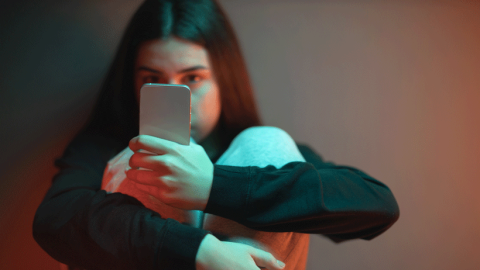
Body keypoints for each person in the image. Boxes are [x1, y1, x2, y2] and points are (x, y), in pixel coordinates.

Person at [32, 0, 400, 269]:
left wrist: (212, 185)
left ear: (224, 80)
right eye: (153, 80)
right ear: (131, 85)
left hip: (245, 164)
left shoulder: (257, 153)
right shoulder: (103, 145)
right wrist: (198, 250)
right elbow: (54, 218)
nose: (180, 98)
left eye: (193, 78)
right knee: (132, 162)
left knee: (265, 144)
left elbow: (377, 205)